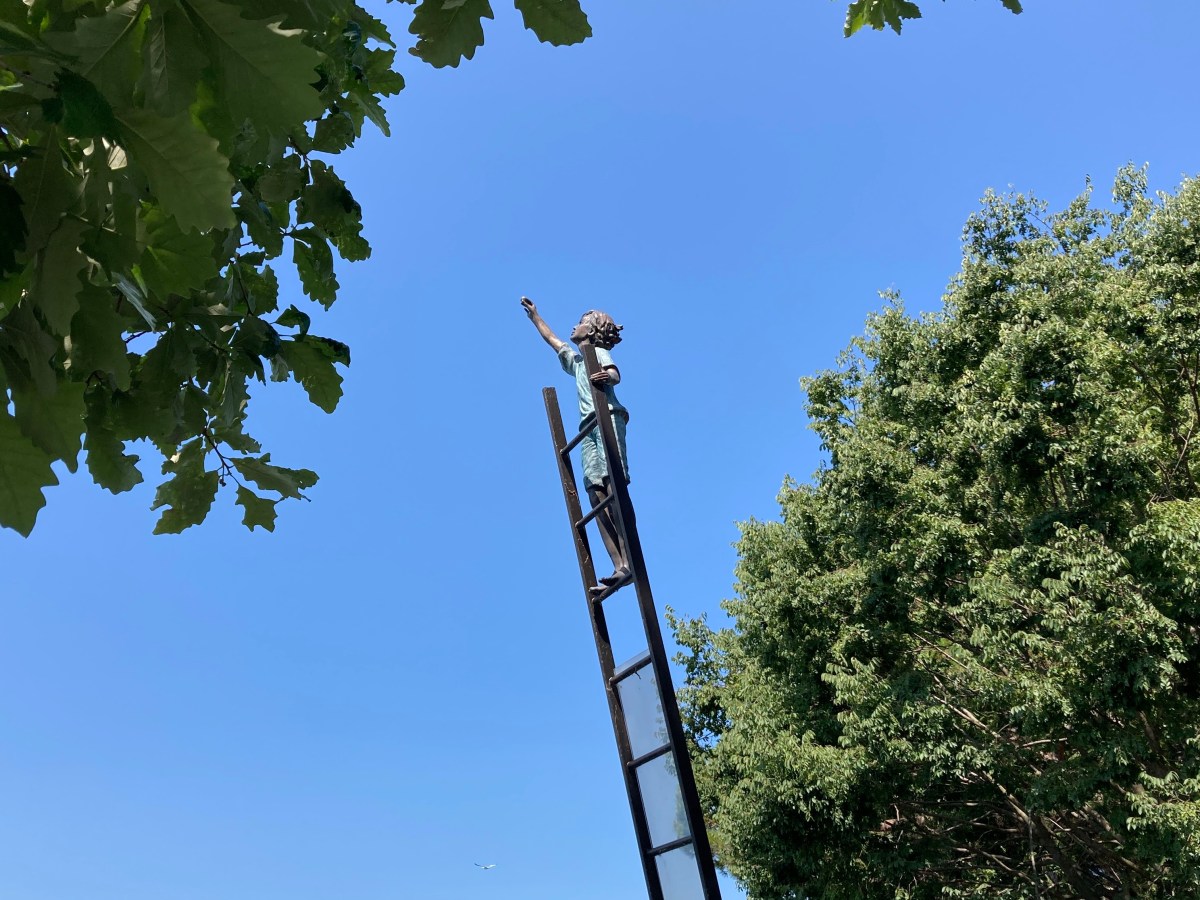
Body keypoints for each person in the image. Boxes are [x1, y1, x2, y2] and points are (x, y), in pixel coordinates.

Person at [522, 297, 632, 590]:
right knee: (595, 496)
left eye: (581, 321)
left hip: (607, 418)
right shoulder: (578, 361)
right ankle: (618, 564)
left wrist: (605, 377)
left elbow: (614, 375)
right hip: (588, 428)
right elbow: (554, 340)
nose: (574, 325)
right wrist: (535, 317)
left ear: (593, 329)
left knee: (612, 487)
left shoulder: (596, 353)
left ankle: (629, 559)